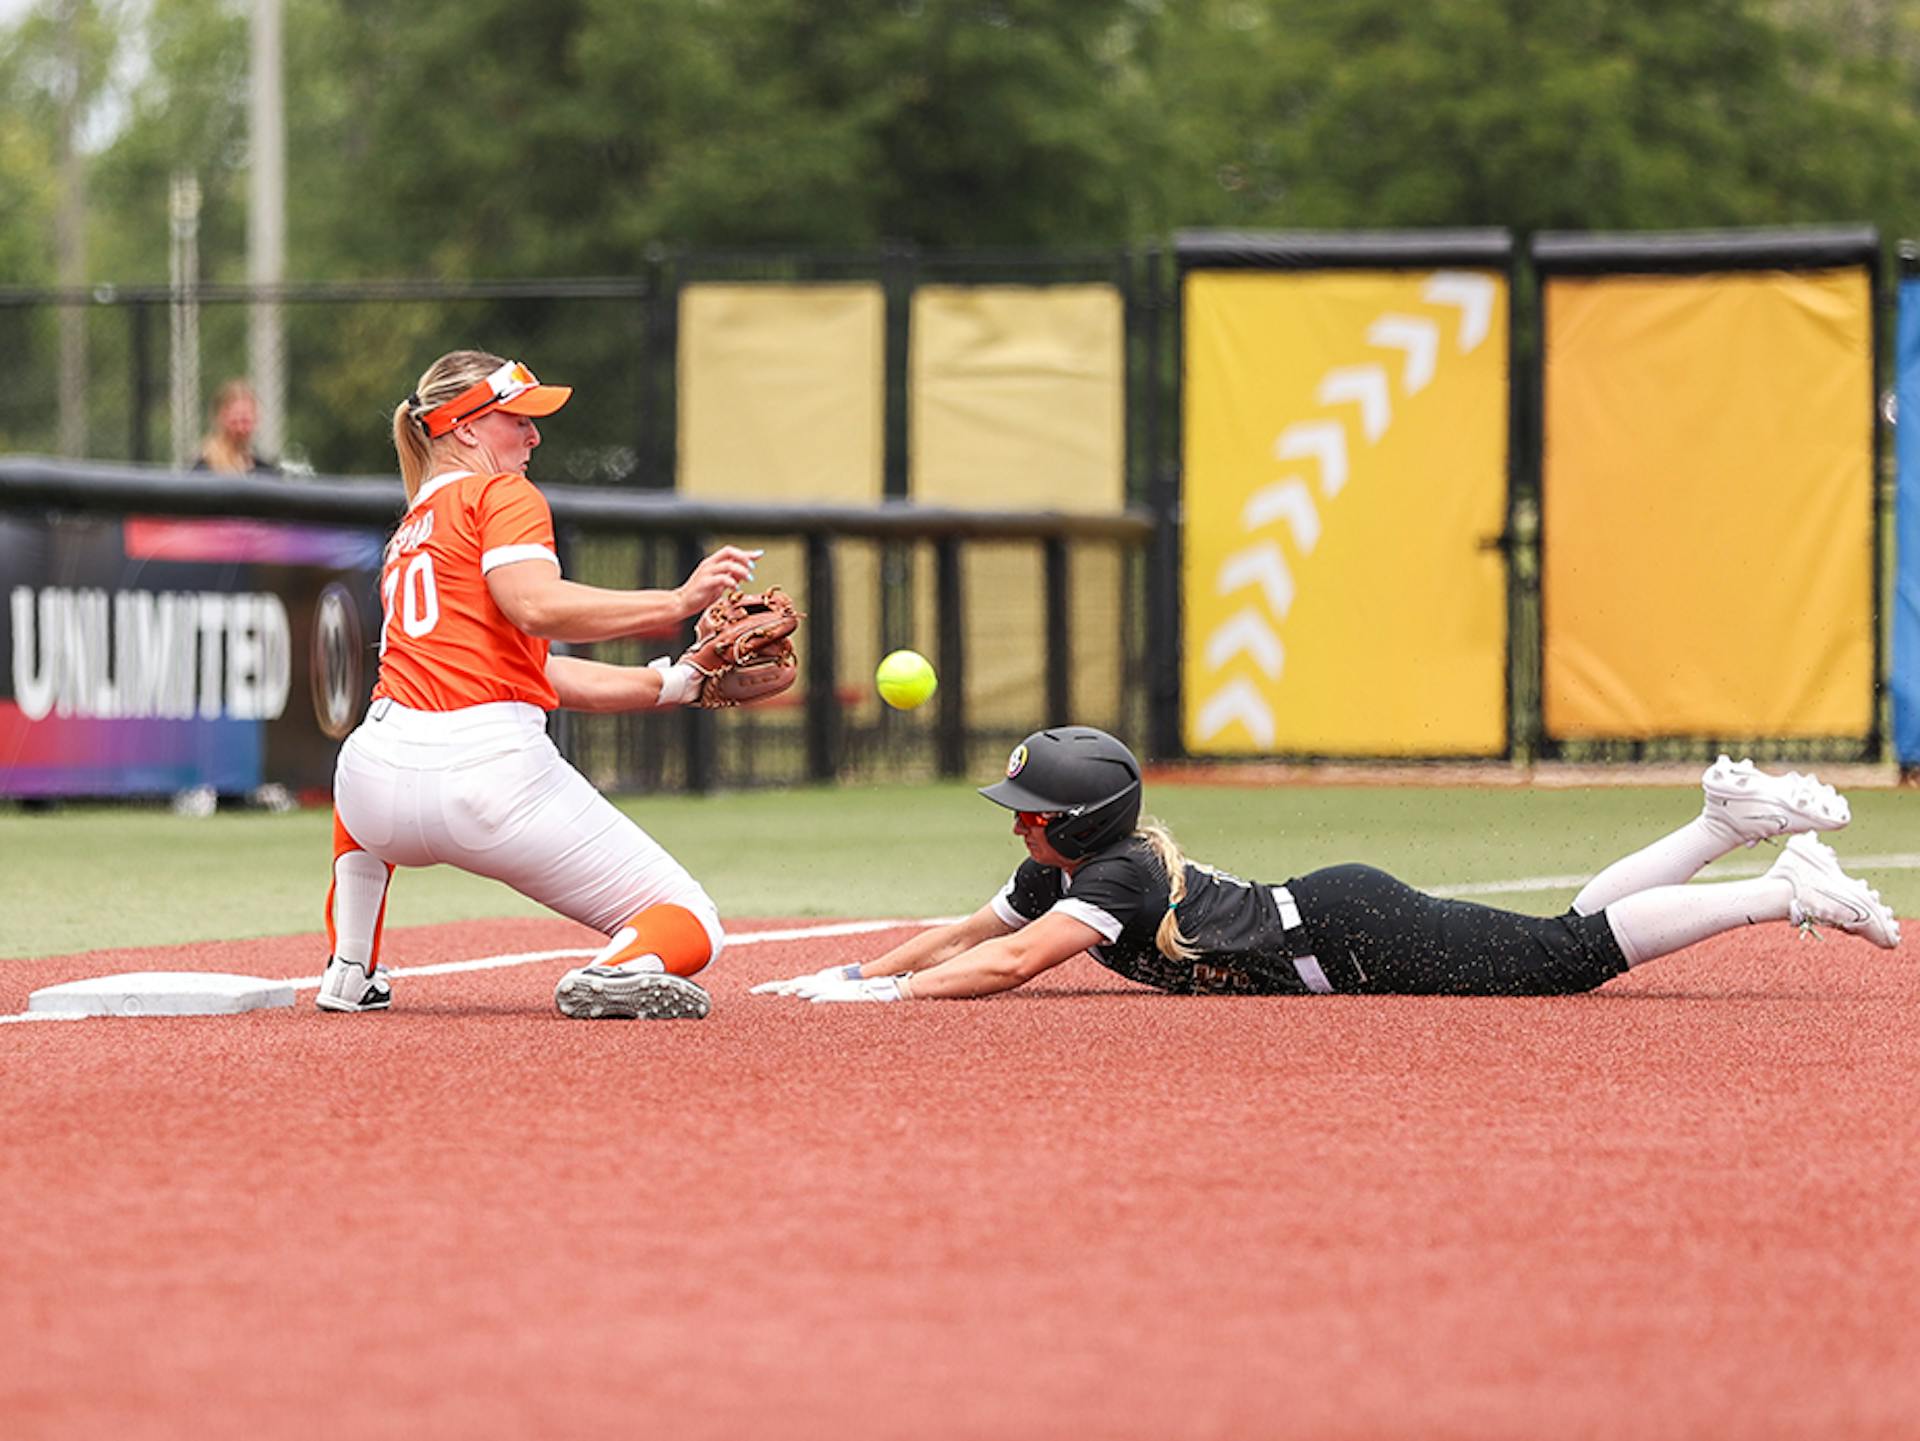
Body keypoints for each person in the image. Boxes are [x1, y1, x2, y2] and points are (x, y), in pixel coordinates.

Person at [752, 726, 1900, 1003]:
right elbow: (968, 934)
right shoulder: (1073, 864)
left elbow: (1005, 971)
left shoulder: (1111, 882)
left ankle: (1774, 886)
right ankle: (1721, 819)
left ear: (1081, 823)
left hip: (1348, 934)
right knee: (1557, 935)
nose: (1016, 826)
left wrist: (891, 1001)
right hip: (1334, 919)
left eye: (1030, 813)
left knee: (1559, 962)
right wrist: (859, 975)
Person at [320, 350, 763, 1020]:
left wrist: (674, 682)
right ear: (465, 429)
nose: (533, 435)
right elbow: (534, 604)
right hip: (491, 778)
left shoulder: (410, 527)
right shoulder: (501, 494)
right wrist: (675, 601)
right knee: (691, 917)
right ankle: (617, 969)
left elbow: (532, 666)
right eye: (516, 418)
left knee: (363, 760)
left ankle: (351, 965)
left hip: (375, 789)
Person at [192, 379, 280, 474]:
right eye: (234, 422)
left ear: (256, 420)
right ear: (220, 418)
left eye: (246, 422)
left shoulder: (263, 470)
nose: (241, 429)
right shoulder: (204, 468)